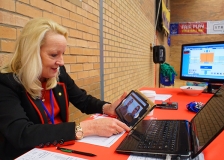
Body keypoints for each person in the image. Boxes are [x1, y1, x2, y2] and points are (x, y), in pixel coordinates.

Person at [0, 17, 130, 160]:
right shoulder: (6, 83)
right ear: (31, 54)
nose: (61, 62)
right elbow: (22, 133)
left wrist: (107, 107)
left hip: (62, 150)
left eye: (63, 54)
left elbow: (83, 100)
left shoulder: (58, 74)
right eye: (54, 55)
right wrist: (88, 128)